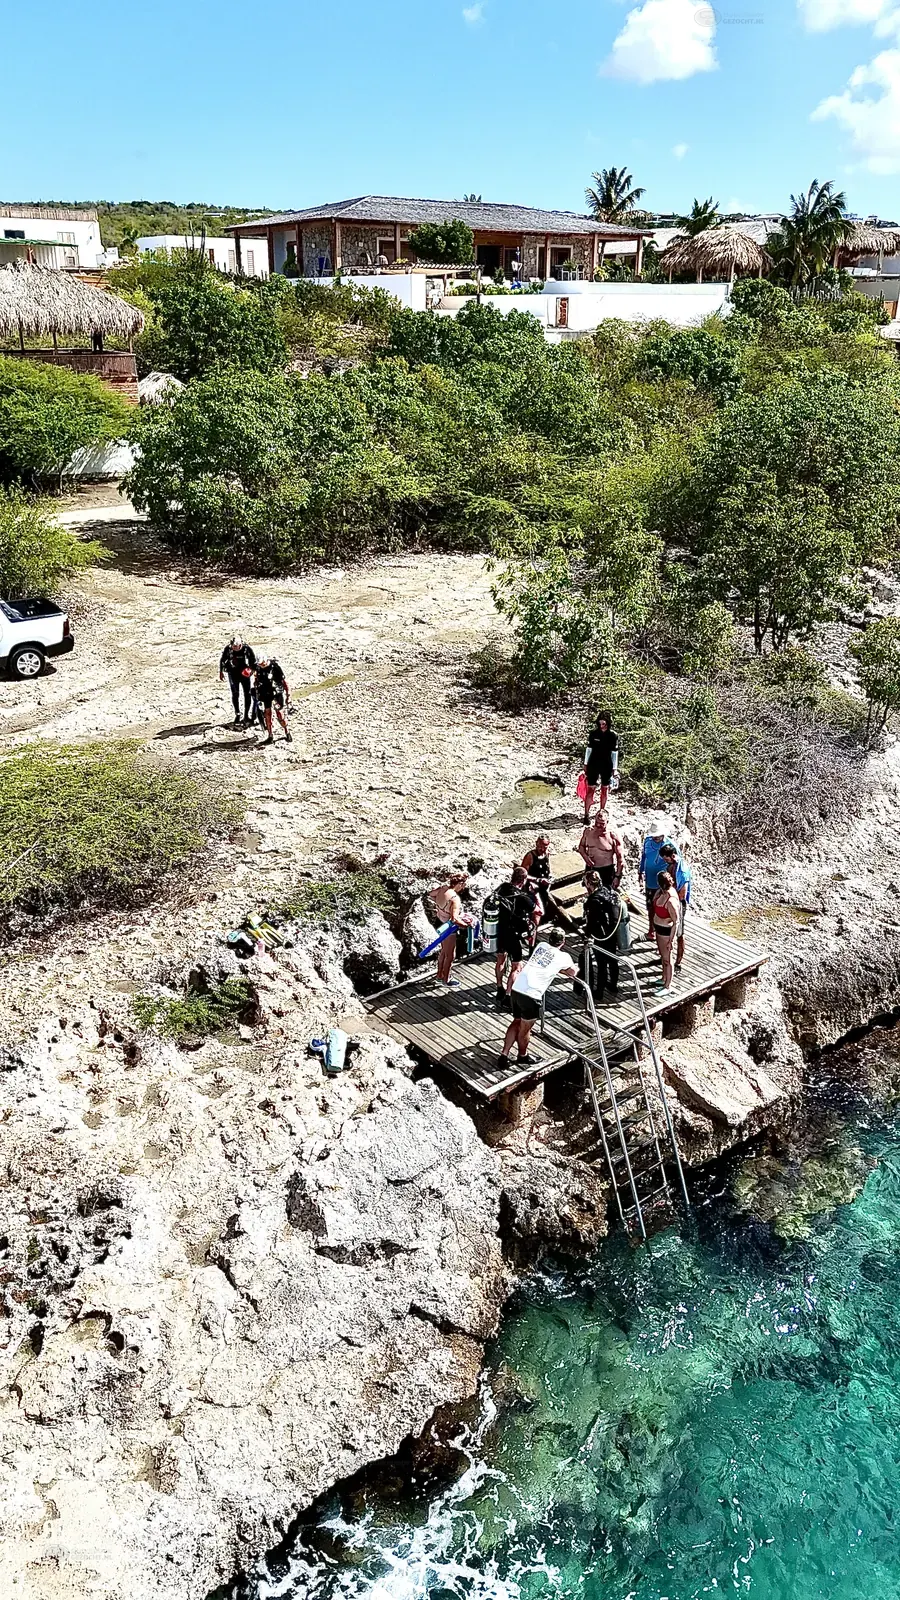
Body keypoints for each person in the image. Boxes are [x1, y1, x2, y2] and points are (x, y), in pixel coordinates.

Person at [499, 928, 577, 1069]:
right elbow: (572, 972)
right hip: (531, 995)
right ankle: (522, 1056)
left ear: (550, 939)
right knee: (524, 1030)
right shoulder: (564, 957)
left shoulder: (541, 946)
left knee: (516, 1021)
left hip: (517, 988)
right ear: (563, 942)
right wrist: (563, 969)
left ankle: (504, 1054)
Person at [495, 866, 541, 1008]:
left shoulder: (502, 888)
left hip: (497, 931)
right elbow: (539, 912)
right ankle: (508, 996)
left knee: (500, 959)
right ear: (524, 880)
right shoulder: (522, 898)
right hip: (512, 935)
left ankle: (499, 988)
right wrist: (536, 895)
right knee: (517, 966)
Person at [430, 873, 475, 988]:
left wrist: (441, 907)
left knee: (443, 951)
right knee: (450, 955)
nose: (464, 887)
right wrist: (467, 925)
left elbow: (431, 894)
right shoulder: (455, 899)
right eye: (463, 884)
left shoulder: (443, 889)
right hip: (448, 927)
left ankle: (439, 976)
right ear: (460, 884)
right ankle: (446, 979)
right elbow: (454, 919)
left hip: (439, 922)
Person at [581, 870, 622, 995]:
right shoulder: (607, 890)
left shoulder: (593, 900)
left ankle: (599, 991)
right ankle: (613, 985)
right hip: (612, 931)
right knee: (613, 959)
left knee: (601, 963)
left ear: (589, 883)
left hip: (601, 935)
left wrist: (586, 935)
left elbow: (592, 921)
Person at [638, 817, 676, 940]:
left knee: (663, 908)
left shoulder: (669, 845)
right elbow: (644, 857)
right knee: (650, 907)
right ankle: (651, 931)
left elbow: (676, 862)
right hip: (650, 881)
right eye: (654, 835)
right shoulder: (647, 842)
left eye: (658, 835)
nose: (656, 838)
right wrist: (640, 871)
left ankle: (666, 934)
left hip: (663, 883)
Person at [580, 711, 619, 823]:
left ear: (608, 724)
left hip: (607, 764)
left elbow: (614, 752)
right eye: (600, 723)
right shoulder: (593, 734)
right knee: (590, 789)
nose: (602, 726)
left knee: (604, 789)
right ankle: (586, 814)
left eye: (604, 724)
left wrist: (614, 769)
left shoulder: (613, 736)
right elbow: (589, 749)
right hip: (593, 763)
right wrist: (585, 764)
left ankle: (602, 813)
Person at [659, 842, 692, 973]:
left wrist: (670, 902)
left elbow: (682, 893)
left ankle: (678, 961)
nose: (665, 861)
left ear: (672, 856)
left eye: (666, 859)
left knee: (679, 933)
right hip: (670, 900)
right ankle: (667, 956)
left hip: (678, 903)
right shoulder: (671, 864)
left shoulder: (682, 871)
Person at [650, 870, 681, 992]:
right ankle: (663, 978)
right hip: (659, 929)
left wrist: (671, 940)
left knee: (668, 959)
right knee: (663, 957)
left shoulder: (671, 900)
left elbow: (676, 921)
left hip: (666, 932)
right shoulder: (661, 892)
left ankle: (668, 986)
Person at [577, 810, 624, 888]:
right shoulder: (588, 832)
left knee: (606, 895)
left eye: (602, 823)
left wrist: (617, 877)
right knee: (590, 892)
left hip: (606, 871)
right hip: (591, 868)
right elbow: (581, 846)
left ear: (607, 821)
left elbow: (620, 858)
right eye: (596, 822)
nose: (598, 825)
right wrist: (586, 858)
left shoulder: (612, 836)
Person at [219, 635, 257, 729]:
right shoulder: (228, 649)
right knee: (235, 694)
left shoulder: (247, 649)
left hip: (245, 674)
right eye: (233, 646)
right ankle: (237, 713)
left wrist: (251, 671)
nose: (234, 648)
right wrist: (221, 672)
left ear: (240, 645)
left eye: (236, 646)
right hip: (233, 673)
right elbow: (223, 660)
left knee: (247, 694)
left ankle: (246, 715)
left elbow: (253, 662)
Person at [255, 656, 292, 745]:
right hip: (265, 693)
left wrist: (288, 696)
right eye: (259, 664)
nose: (261, 665)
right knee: (267, 714)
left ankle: (287, 732)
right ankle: (270, 736)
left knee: (280, 715)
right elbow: (256, 680)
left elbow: (284, 682)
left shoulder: (274, 667)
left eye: (262, 663)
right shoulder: (258, 668)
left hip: (276, 694)